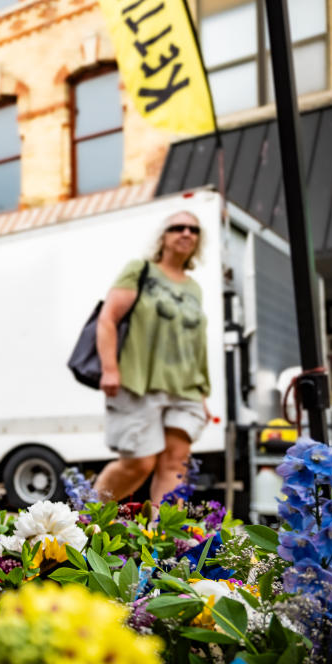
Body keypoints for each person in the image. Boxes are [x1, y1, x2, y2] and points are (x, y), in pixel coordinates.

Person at [93, 211, 211, 508]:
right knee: (139, 463)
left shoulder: (194, 288)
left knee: (176, 463)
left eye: (193, 230)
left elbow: (195, 342)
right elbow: (108, 318)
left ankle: (164, 543)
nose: (186, 233)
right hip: (138, 381)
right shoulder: (140, 270)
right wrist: (109, 368)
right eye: (178, 228)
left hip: (186, 388)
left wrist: (202, 394)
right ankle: (85, 517)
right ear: (164, 236)